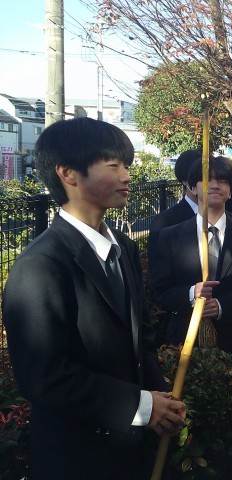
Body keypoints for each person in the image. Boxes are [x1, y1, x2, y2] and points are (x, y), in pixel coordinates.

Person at [2, 117, 186, 480]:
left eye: (127, 165)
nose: (127, 176)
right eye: (114, 166)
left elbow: (142, 337)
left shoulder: (124, 248)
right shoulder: (41, 266)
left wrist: (160, 400)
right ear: (68, 173)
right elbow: (45, 377)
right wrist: (141, 405)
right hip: (78, 458)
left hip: (132, 449)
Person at [150, 155, 232, 359]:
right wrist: (191, 293)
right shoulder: (170, 237)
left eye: (223, 181)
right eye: (207, 179)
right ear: (193, 188)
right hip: (183, 345)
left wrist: (221, 306)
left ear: (230, 191)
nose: (215, 185)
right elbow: (159, 292)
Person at [147, 149, 200, 268]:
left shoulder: (227, 218)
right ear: (185, 180)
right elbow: (158, 272)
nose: (212, 184)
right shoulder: (164, 223)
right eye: (201, 177)